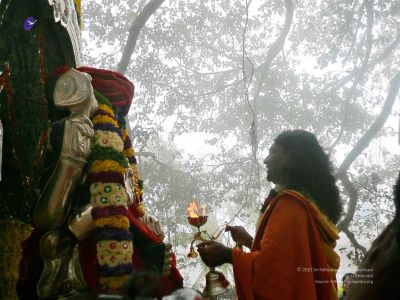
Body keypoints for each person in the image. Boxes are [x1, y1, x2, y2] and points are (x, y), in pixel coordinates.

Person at [197, 129, 342, 300]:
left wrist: (228, 255)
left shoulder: (290, 205)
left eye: (273, 152)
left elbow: (273, 275)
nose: (266, 160)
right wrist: (251, 242)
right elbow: (289, 261)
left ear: (293, 159)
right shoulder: (309, 203)